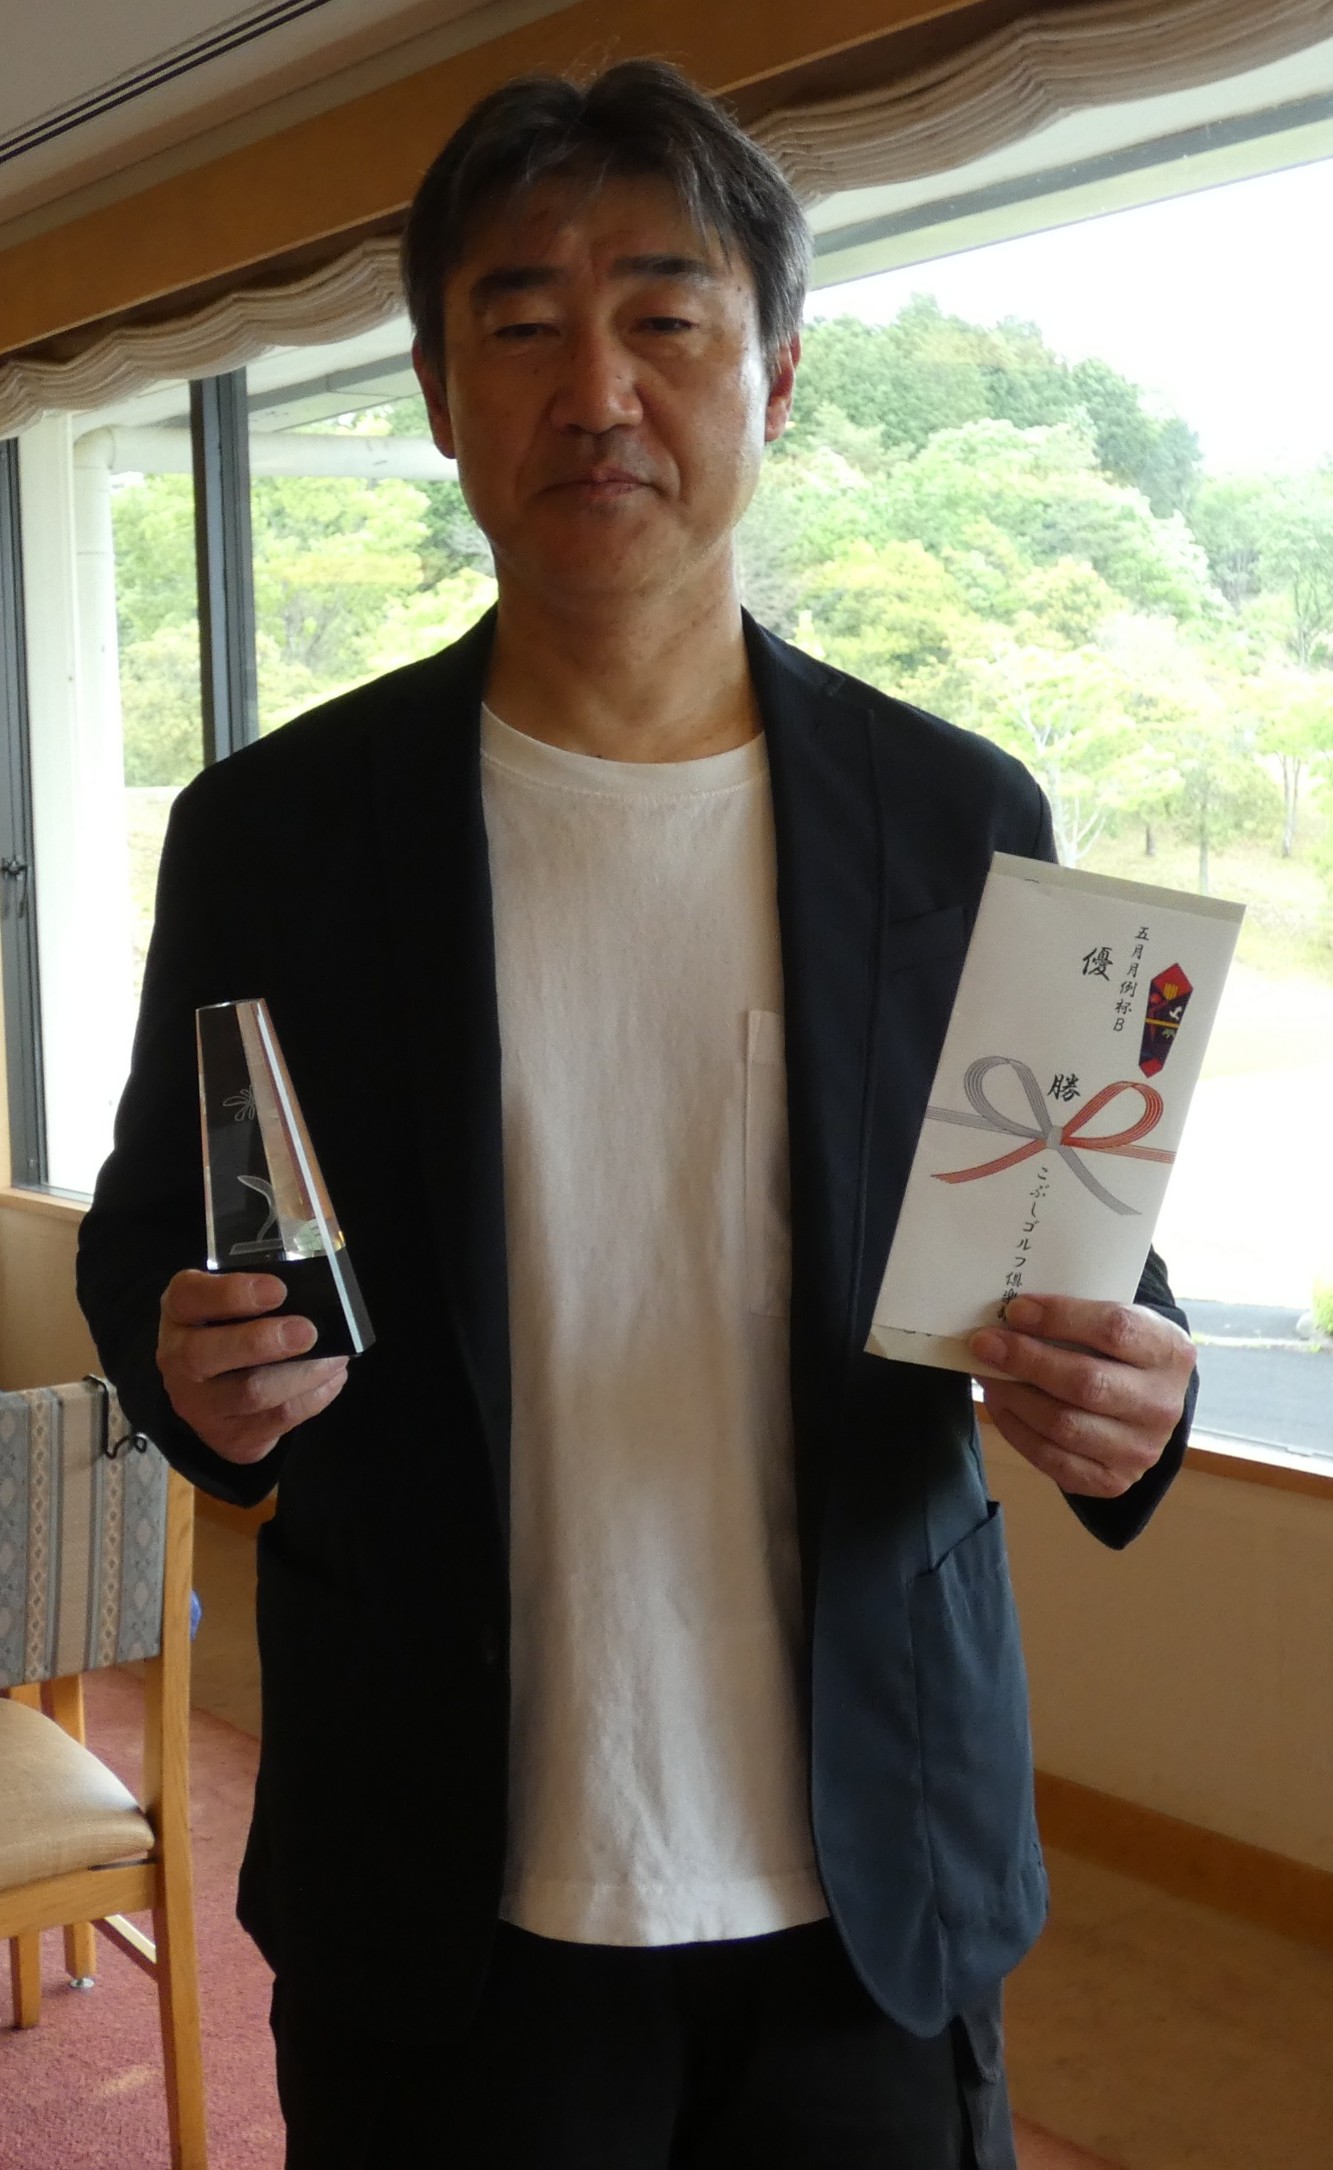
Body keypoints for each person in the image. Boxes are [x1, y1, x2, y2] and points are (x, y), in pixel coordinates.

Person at [77, 59, 1198, 2170]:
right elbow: (154, 1238)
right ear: (437, 395)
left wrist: (1136, 1384)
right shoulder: (278, 832)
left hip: (869, 1867)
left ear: (775, 374)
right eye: (519, 325)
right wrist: (186, 1366)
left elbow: (1078, 1254)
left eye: (665, 317)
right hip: (443, 1869)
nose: (594, 390)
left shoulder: (953, 815)